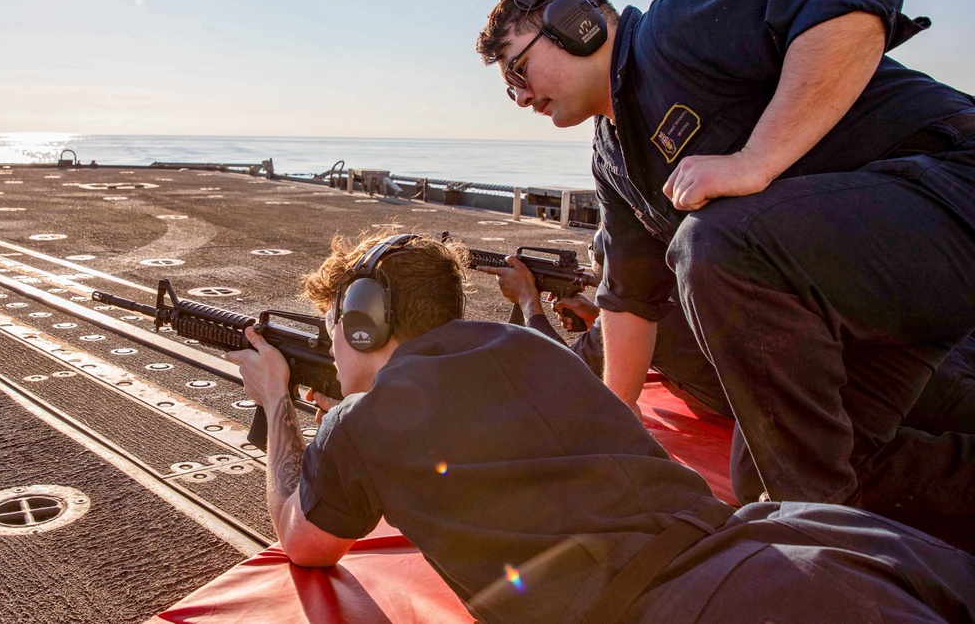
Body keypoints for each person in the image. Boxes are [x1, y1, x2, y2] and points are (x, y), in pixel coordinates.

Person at [225, 230, 975, 623]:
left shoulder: (365, 419)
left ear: (362, 327)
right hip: (811, 543)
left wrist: (278, 404)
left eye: (334, 333)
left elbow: (304, 541)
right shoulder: (526, 343)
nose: (332, 351)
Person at [477, 0, 975, 544]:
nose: (518, 96)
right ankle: (836, 527)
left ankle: (824, 555)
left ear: (575, 24)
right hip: (877, 294)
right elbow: (629, 300)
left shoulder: (674, 26)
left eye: (518, 69)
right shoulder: (613, 156)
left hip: (949, 193)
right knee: (771, 470)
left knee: (718, 240)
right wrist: (611, 421)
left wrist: (755, 161)